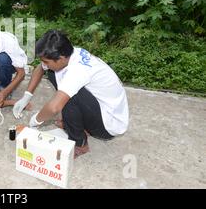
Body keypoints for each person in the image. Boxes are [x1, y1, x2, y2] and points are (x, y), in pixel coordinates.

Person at [13, 30, 129, 158]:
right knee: (53, 74)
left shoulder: (77, 71)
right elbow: (40, 68)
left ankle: (80, 144)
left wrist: (36, 120)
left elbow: (54, 108)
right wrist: (26, 96)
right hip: (99, 107)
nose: (44, 64)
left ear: (61, 58)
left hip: (108, 125)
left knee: (69, 97)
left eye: (46, 61)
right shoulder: (69, 53)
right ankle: (74, 121)